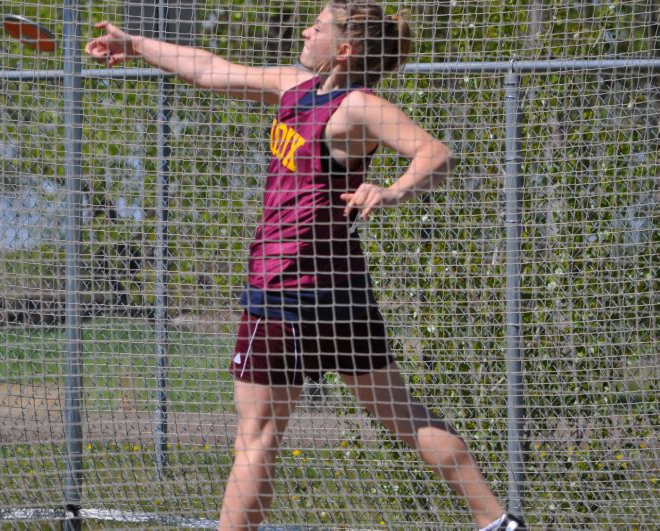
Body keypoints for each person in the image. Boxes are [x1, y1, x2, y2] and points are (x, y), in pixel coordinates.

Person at [85, 2, 526, 530]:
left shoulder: (357, 107)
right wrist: (134, 45)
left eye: (316, 27)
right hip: (340, 290)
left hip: (286, 287)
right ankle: (498, 522)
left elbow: (435, 154)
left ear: (343, 49)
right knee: (399, 412)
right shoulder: (294, 87)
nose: (304, 30)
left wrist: (391, 191)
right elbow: (206, 68)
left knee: (258, 437)